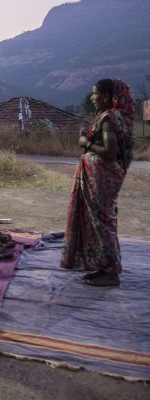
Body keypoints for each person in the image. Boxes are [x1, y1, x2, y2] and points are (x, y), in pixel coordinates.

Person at [61, 78, 136, 287]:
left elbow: (110, 153)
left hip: (102, 180)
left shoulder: (109, 117)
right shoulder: (109, 116)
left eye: (95, 93)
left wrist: (86, 142)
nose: (92, 98)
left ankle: (111, 273)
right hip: (100, 178)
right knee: (99, 223)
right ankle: (103, 268)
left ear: (106, 96)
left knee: (103, 223)